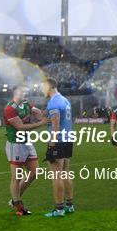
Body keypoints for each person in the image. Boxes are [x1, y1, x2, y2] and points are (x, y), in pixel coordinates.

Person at [3, 84, 47, 216]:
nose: (27, 93)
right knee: (16, 177)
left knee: (34, 172)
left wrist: (47, 113)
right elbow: (20, 127)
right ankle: (18, 206)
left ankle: (14, 199)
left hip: (26, 142)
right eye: (24, 91)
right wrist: (41, 123)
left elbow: (39, 114)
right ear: (16, 92)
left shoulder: (27, 104)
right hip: (15, 144)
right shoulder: (9, 109)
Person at [43, 78, 74, 217]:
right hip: (68, 139)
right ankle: (69, 205)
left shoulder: (53, 102)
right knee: (65, 172)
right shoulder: (65, 100)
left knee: (56, 175)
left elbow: (55, 125)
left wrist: (51, 144)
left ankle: (59, 209)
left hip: (58, 141)